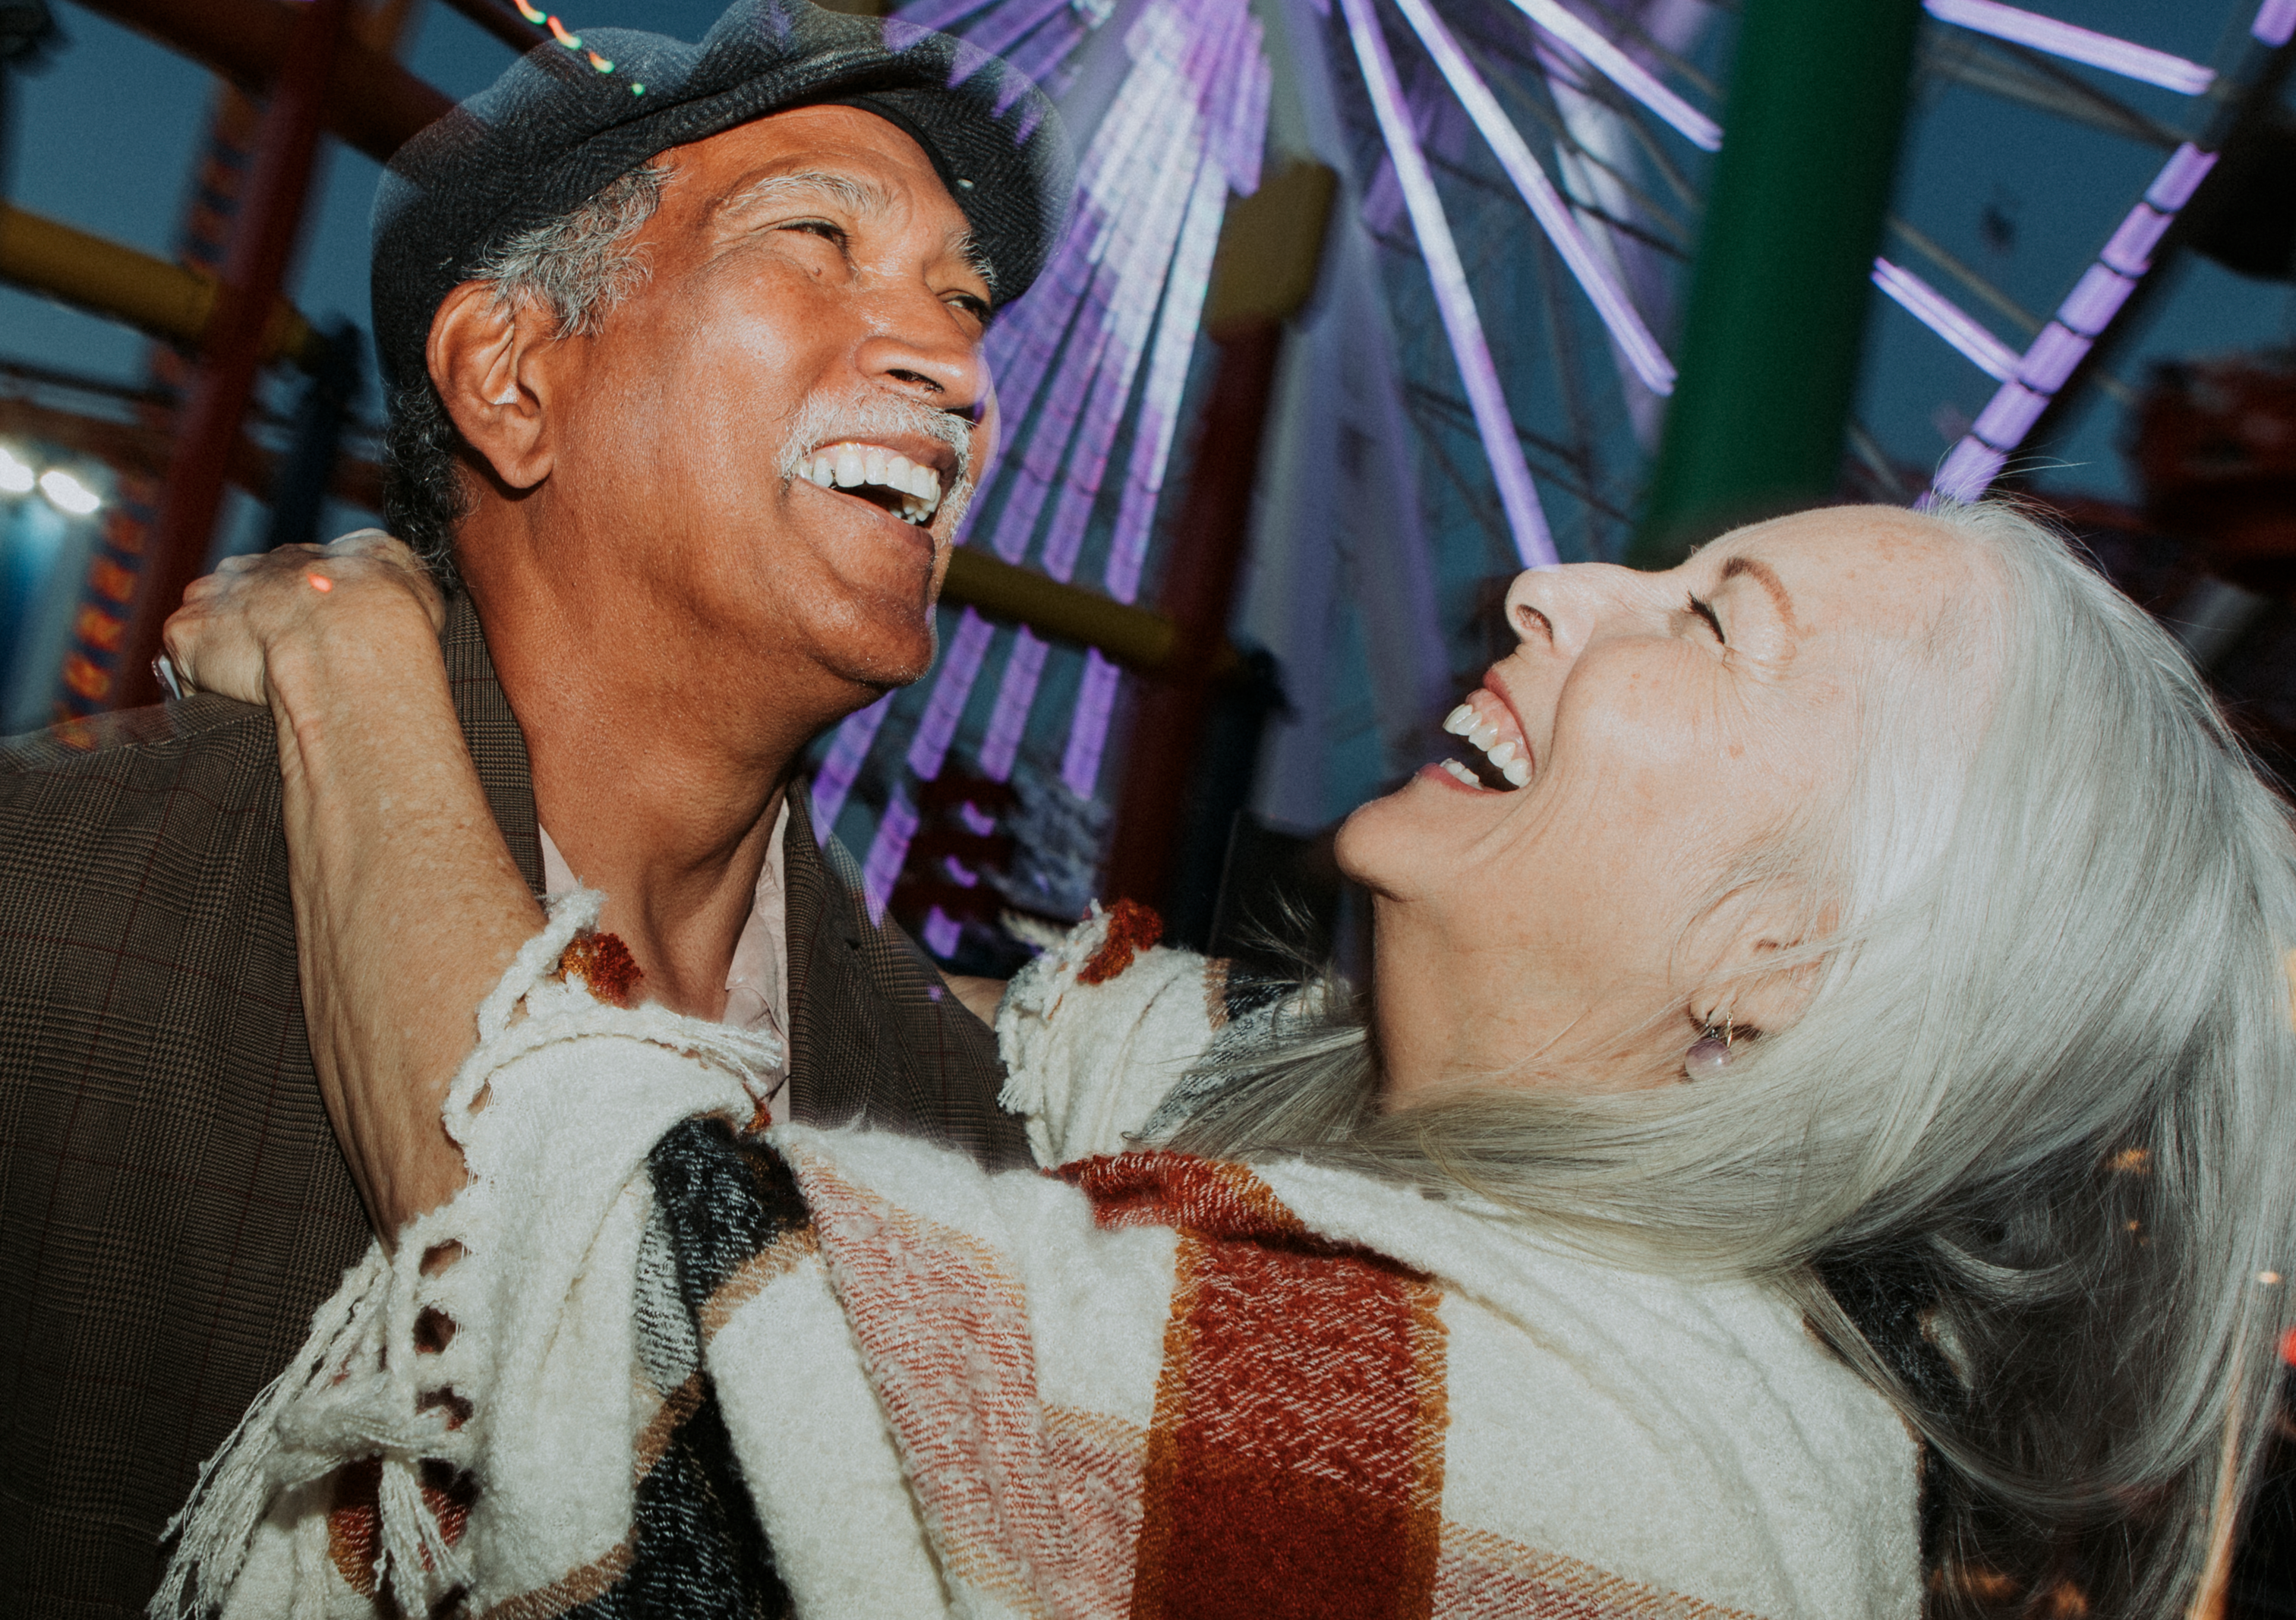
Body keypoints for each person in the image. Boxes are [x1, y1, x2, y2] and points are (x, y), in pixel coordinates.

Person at [153, 497, 2296, 1618]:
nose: (1554, 582)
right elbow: (1109, 1060)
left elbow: (610, 1284)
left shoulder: (1614, 1482)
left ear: (1788, 962)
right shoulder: (1380, 1163)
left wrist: (352, 666)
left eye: (1716, 621)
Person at [0, 0, 1071, 1611]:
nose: (957, 362)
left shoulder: (970, 1126)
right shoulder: (58, 915)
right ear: (509, 378)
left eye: (961, 297)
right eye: (816, 240)